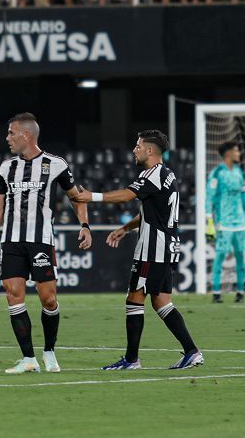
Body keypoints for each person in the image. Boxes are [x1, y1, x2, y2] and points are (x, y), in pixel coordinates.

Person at [70, 131, 203, 371]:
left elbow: (126, 195)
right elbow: (150, 212)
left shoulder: (153, 174)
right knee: (162, 302)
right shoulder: (167, 174)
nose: (135, 149)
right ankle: (192, 352)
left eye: (138, 145)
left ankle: (131, 360)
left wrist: (92, 197)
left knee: (135, 298)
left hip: (153, 248)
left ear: (150, 150)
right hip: (165, 246)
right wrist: (125, 228)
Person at [0, 113, 92, 375]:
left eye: (11, 133)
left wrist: (84, 225)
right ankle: (28, 358)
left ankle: (49, 351)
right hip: (12, 242)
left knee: (48, 299)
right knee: (13, 295)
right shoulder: (6, 168)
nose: (7, 138)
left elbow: (77, 197)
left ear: (26, 135)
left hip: (41, 241)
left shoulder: (56, 164)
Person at [206, 142, 245, 303]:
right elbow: (209, 197)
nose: (239, 153)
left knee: (241, 257)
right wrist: (209, 221)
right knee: (220, 257)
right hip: (224, 223)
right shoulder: (217, 173)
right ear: (228, 153)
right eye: (236, 151)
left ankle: (240, 293)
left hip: (241, 223)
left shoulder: (239, 171)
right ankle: (216, 293)